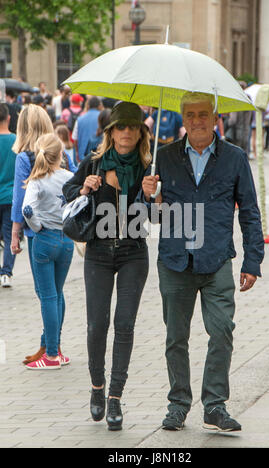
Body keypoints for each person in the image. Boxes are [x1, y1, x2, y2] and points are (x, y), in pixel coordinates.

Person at [141, 92, 265, 432]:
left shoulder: (235, 159)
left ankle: (214, 405)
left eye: (203, 114)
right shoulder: (163, 158)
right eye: (190, 114)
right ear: (183, 119)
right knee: (175, 338)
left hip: (217, 260)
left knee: (222, 330)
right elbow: (149, 216)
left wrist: (253, 260)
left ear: (215, 118)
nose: (196, 120)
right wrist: (147, 194)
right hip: (174, 261)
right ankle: (178, 404)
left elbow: (251, 213)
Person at [63, 101, 151, 431]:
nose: (126, 132)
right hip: (98, 253)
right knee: (96, 326)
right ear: (110, 131)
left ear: (141, 132)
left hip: (133, 253)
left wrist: (152, 196)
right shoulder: (95, 162)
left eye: (132, 126)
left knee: (124, 324)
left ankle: (115, 397)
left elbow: (158, 218)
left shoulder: (148, 167)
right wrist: (85, 187)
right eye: (120, 127)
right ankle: (97, 388)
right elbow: (68, 191)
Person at [10, 104, 74, 365]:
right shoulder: (64, 156)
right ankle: (52, 345)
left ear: (23, 127)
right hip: (65, 235)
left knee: (45, 294)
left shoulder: (25, 158)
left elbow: (20, 201)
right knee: (57, 293)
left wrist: (16, 234)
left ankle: (50, 350)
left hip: (40, 235)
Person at [0, 103, 17, 287]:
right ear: (9, 118)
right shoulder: (17, 141)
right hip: (11, 196)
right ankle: (6, 273)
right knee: (9, 234)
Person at [72, 96, 102, 162]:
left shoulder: (79, 119)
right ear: (99, 106)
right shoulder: (102, 118)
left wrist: (77, 152)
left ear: (88, 106)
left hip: (83, 157)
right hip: (99, 155)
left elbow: (75, 139)